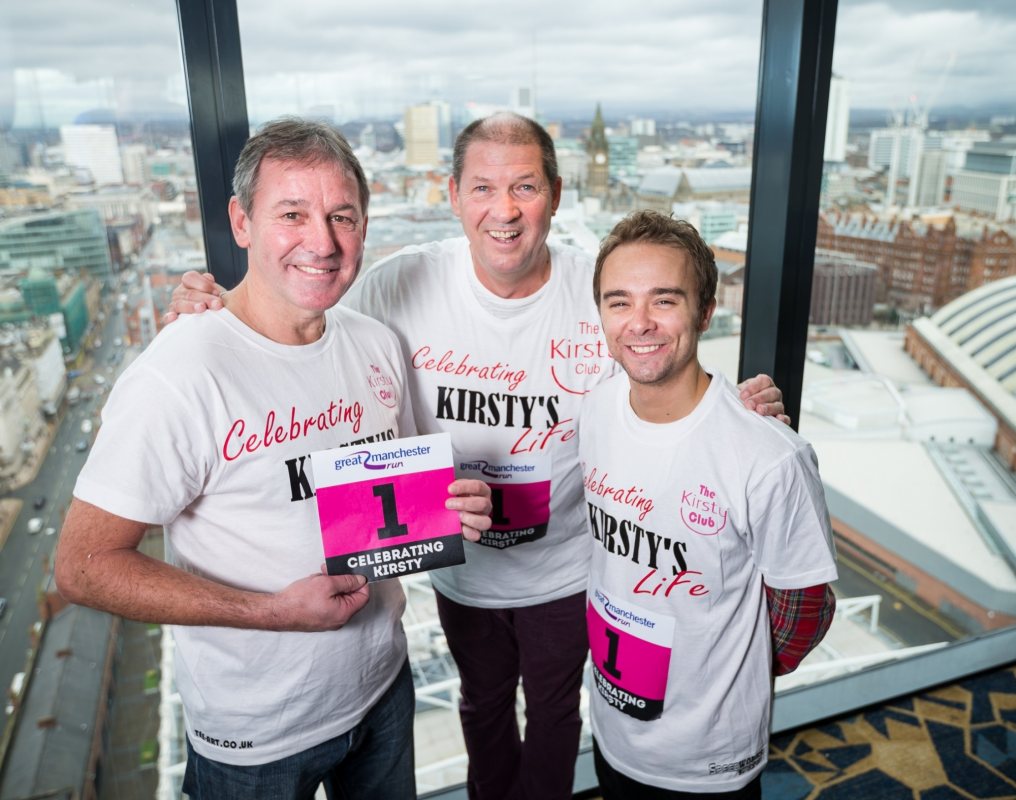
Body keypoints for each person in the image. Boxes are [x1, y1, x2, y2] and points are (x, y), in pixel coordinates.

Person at [166, 113, 786, 800]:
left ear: (555, 192)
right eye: (485, 188)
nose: (506, 210)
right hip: (462, 573)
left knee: (555, 714)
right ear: (453, 193)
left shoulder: (593, 289)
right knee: (481, 709)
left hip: (567, 570)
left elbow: (659, 358)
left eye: (525, 186)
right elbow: (303, 320)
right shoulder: (398, 285)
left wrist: (734, 405)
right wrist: (218, 305)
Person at [54, 118, 492, 800]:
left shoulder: (375, 343)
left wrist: (449, 505)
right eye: (292, 213)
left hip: (382, 690)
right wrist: (270, 612)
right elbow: (82, 567)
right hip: (255, 737)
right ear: (241, 222)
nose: (321, 241)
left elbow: (385, 501)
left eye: (341, 216)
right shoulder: (180, 372)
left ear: (364, 226)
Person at [581, 209, 838, 799]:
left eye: (664, 300)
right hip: (615, 722)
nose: (638, 323)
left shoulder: (768, 455)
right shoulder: (594, 410)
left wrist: (732, 671)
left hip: (710, 754)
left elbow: (805, 608)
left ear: (704, 311)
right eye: (618, 302)